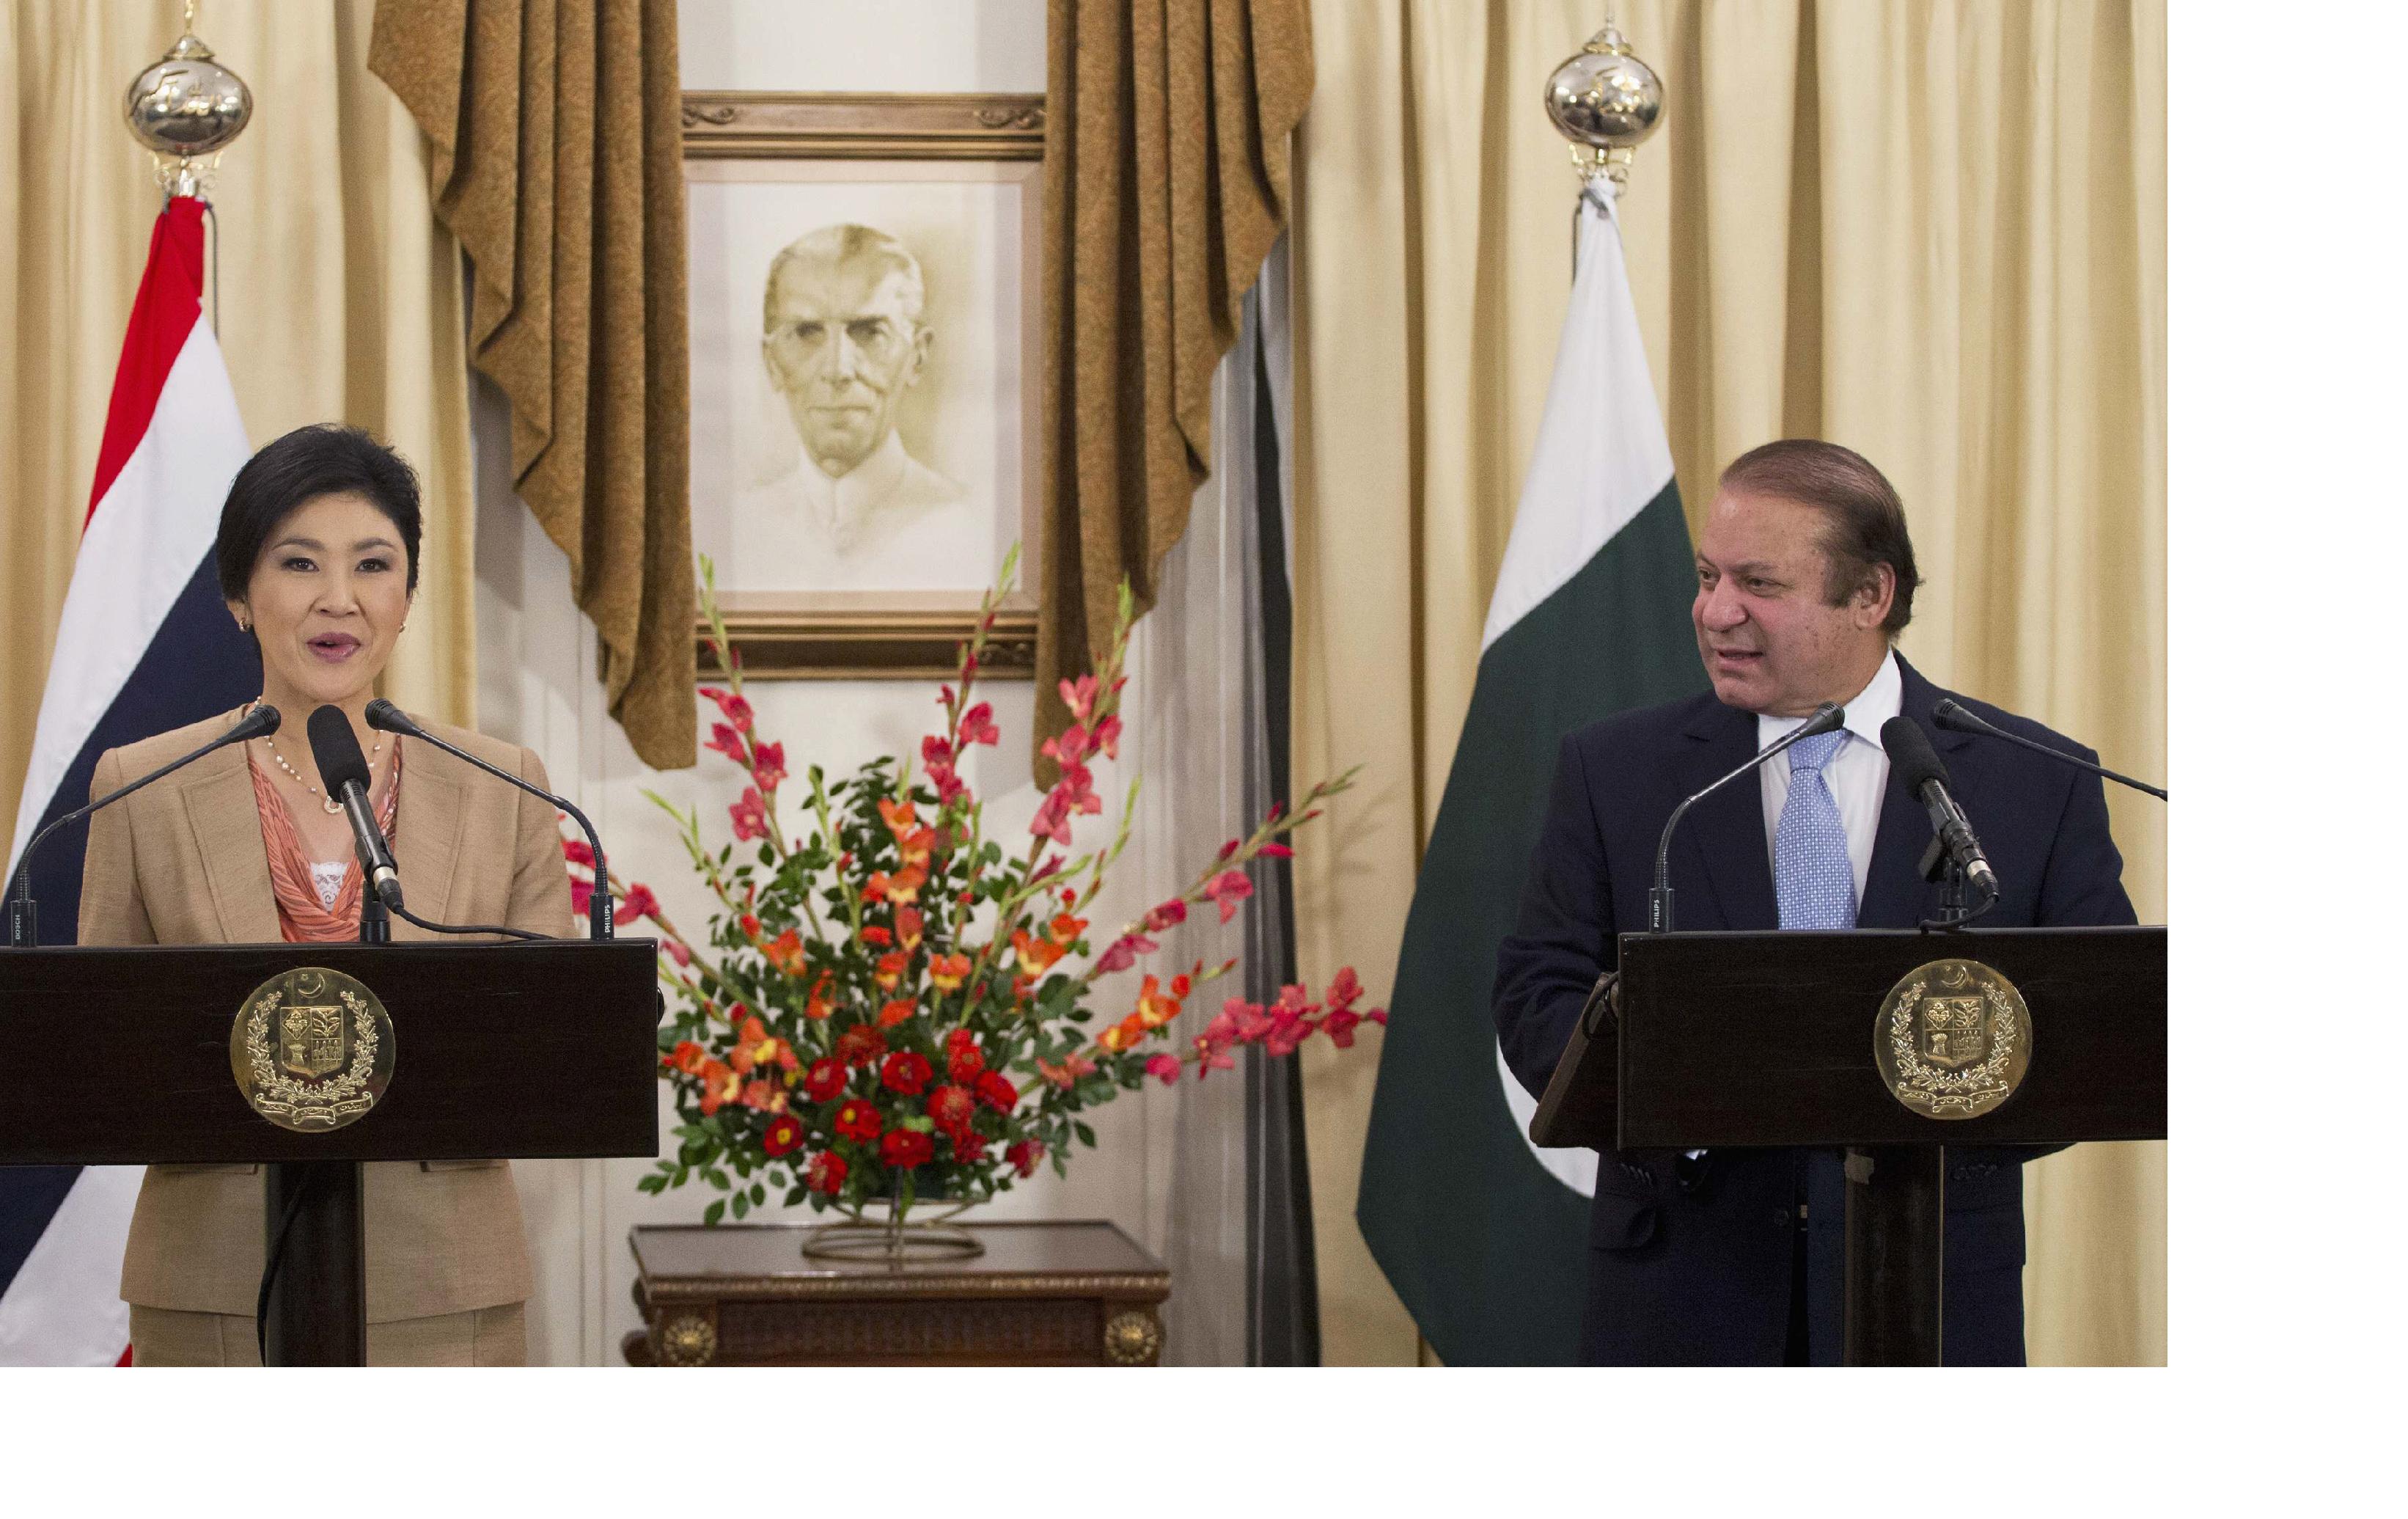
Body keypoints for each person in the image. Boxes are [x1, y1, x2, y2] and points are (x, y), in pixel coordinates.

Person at [1492, 439, 2134, 1366]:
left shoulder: (2034, 780)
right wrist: (1684, 1095)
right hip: (1683, 1290)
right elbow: (1535, 991)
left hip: (1928, 1289)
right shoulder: (1615, 770)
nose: (1714, 611)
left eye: (1758, 582)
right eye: (1707, 575)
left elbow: (2096, 1026)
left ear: (1870, 595)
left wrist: (1939, 1123)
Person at [77, 424, 571, 1366]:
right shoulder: (141, 785)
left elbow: (545, 1050)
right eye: (298, 563)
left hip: (445, 1287)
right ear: (237, 594)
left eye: (373, 564)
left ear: (409, 595)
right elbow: (104, 1051)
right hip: (211, 1287)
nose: (337, 600)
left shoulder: (504, 784)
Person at [753, 223, 969, 556]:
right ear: (772, 362)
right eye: (807, 333)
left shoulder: (968, 523)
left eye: (870, 333)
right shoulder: (741, 527)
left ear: (917, 357)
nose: (837, 370)